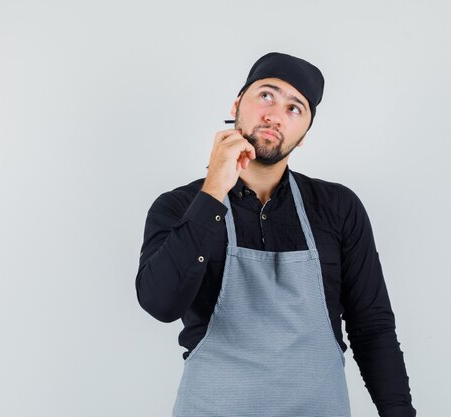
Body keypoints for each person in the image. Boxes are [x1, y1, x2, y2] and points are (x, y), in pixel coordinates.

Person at [135, 52, 416, 417]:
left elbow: (372, 327)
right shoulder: (178, 206)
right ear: (238, 104)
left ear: (303, 135)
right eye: (266, 95)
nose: (274, 115)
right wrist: (213, 191)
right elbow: (160, 304)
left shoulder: (338, 208)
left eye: (294, 108)